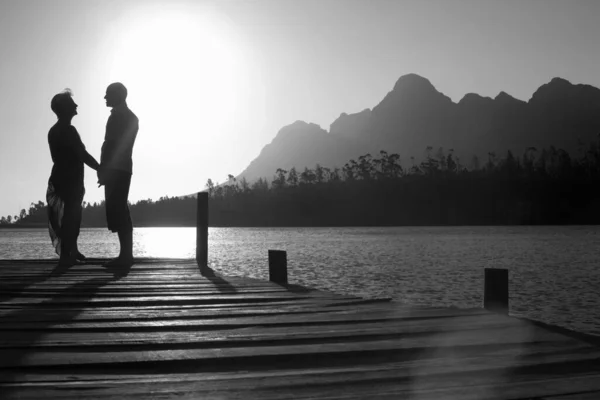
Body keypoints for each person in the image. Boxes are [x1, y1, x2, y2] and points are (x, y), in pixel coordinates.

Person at [47, 89, 100, 266]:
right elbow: (81, 154)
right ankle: (66, 257)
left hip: (60, 177)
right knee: (71, 217)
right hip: (70, 179)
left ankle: (72, 251)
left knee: (70, 216)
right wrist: (99, 167)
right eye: (72, 103)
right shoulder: (68, 130)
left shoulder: (53, 130)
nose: (76, 105)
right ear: (64, 108)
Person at [98, 82, 139, 268]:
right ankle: (125, 255)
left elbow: (113, 144)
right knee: (120, 209)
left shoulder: (120, 117)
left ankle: (125, 256)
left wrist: (105, 168)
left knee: (119, 209)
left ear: (118, 95)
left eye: (108, 94)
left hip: (117, 168)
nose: (105, 98)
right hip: (121, 167)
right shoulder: (128, 117)